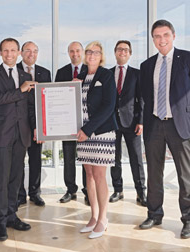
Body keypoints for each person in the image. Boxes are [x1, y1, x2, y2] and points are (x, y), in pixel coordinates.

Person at [138, 19, 190, 239]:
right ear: (153, 40)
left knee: (185, 175)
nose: (161, 40)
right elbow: (145, 97)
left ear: (173, 36)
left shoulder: (189, 59)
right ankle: (154, 213)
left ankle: (189, 220)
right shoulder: (147, 65)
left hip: (180, 126)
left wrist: (183, 113)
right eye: (157, 36)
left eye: (165, 35)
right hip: (155, 124)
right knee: (154, 174)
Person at [0, 38, 36, 241]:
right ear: (0, 53)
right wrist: (20, 90)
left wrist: (36, 129)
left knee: (16, 178)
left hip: (21, 134)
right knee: (1, 179)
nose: (9, 54)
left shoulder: (26, 75)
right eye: (5, 50)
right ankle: (0, 221)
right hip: (1, 134)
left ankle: (12, 215)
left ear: (19, 53)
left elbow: (30, 106)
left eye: (13, 50)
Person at [76, 41, 117, 239]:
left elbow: (108, 107)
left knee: (100, 175)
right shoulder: (81, 76)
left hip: (100, 133)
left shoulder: (106, 75)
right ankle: (93, 217)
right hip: (82, 134)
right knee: (89, 174)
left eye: (96, 52)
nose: (92, 55)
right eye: (89, 52)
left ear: (101, 56)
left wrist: (88, 130)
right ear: (85, 55)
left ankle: (103, 219)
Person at [109, 40, 147, 206]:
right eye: (119, 49)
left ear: (130, 54)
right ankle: (118, 190)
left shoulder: (137, 74)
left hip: (132, 122)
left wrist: (141, 121)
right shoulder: (107, 73)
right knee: (114, 159)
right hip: (111, 123)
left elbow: (142, 100)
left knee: (136, 158)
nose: (122, 52)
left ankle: (141, 192)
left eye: (125, 50)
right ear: (115, 52)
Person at [17, 41, 51, 207]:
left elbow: (47, 101)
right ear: (21, 53)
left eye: (35, 51)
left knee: (36, 159)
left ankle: (35, 193)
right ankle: (19, 194)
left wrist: (43, 125)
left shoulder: (45, 73)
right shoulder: (13, 70)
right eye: (28, 51)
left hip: (38, 123)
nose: (31, 54)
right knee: (18, 160)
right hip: (18, 122)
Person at [55, 41, 89, 204]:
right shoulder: (61, 72)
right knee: (68, 156)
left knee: (85, 157)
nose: (75, 54)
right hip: (66, 122)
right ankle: (70, 190)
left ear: (82, 52)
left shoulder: (90, 70)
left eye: (77, 51)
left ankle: (88, 190)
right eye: (71, 51)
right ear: (68, 53)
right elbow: (56, 95)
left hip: (86, 121)